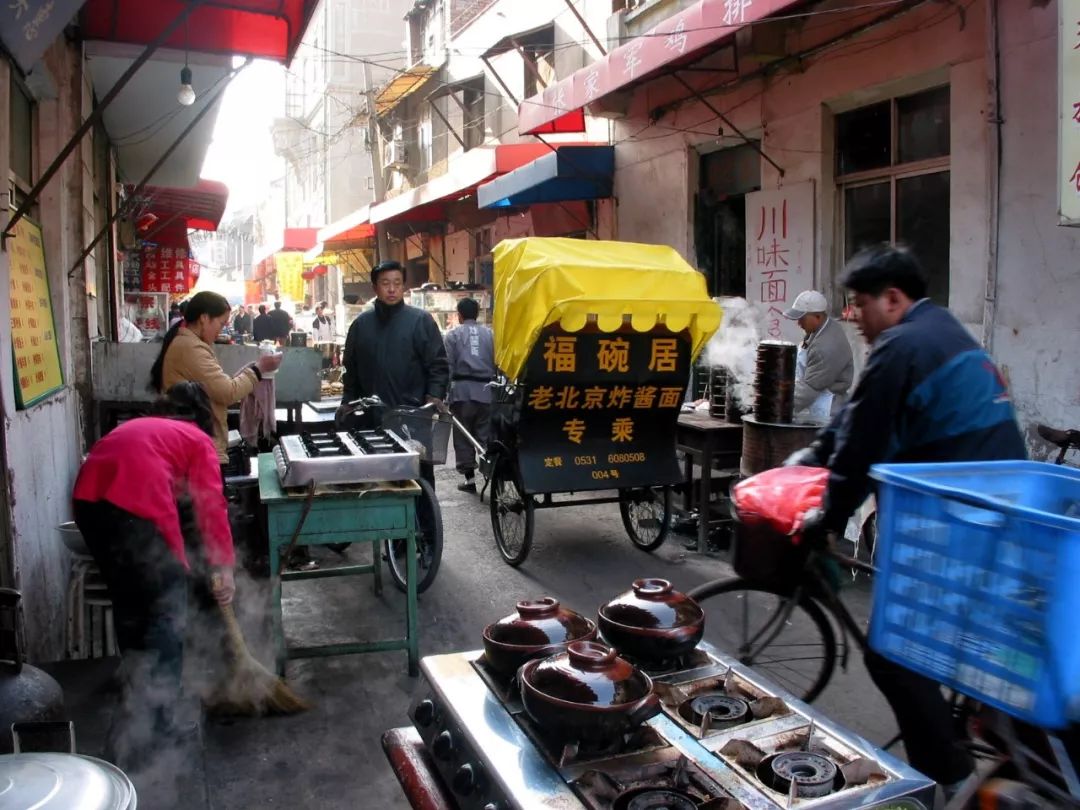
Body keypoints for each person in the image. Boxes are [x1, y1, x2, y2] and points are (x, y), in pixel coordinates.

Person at [791, 244, 1026, 792]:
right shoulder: (937, 331)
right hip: (990, 514)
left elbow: (863, 446)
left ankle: (951, 780)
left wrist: (827, 518)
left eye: (859, 303)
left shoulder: (904, 344)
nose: (853, 315)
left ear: (893, 299)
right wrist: (814, 454)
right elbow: (860, 414)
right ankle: (955, 738)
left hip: (963, 523)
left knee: (893, 654)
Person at [72, 382, 236, 778]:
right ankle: (159, 724)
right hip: (133, 507)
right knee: (167, 611)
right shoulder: (198, 440)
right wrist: (223, 567)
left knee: (129, 600)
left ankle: (135, 697)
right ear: (204, 419)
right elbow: (210, 506)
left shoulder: (144, 427)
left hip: (88, 505)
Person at [339, 260, 449, 523]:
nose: (392, 289)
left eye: (397, 283)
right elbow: (350, 372)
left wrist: (434, 396)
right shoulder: (361, 325)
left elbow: (438, 364)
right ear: (375, 287)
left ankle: (425, 533)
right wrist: (348, 403)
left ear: (403, 287)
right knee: (379, 479)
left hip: (413, 417)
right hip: (371, 417)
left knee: (419, 478)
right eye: (385, 283)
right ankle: (388, 532)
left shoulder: (420, 321)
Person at [150, 291, 281, 467]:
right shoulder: (190, 348)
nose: (221, 331)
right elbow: (227, 392)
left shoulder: (189, 343)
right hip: (198, 451)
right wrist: (259, 370)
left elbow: (217, 387)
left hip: (195, 446)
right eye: (221, 323)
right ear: (204, 318)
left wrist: (254, 370)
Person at [443, 298, 494, 493]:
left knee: (463, 437)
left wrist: (443, 394)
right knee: (485, 435)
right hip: (486, 391)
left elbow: (447, 366)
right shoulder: (490, 335)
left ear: (459, 315)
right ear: (478, 314)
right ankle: (491, 475)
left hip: (461, 394)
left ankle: (470, 480)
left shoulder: (453, 335)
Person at [782, 289, 853, 420]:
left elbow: (809, 389)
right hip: (815, 399)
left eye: (802, 319)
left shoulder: (825, 347)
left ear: (818, 317)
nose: (798, 323)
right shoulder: (822, 327)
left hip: (828, 408)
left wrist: (781, 407)